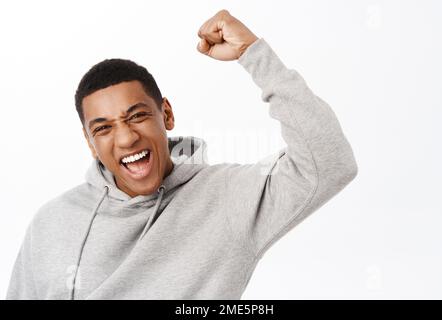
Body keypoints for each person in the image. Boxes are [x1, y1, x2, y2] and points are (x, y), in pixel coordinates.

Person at [7, 9, 358, 299]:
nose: (127, 138)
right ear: (89, 142)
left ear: (167, 115)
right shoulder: (51, 222)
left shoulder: (227, 199)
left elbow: (329, 163)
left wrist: (253, 54)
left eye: (137, 116)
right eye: (104, 128)